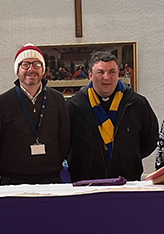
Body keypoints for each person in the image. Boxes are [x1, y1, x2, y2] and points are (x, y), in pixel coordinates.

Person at [67, 50, 158, 182]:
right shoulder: (74, 106)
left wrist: (129, 156)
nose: (106, 77)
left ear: (118, 74)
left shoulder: (137, 103)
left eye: (112, 72)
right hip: (85, 182)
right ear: (90, 75)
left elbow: (150, 138)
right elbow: (64, 143)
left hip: (128, 181)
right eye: (100, 72)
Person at [0, 45, 71, 184]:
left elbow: (65, 138)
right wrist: (8, 168)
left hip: (50, 178)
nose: (31, 69)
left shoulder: (57, 99)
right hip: (13, 179)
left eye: (36, 64)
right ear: (17, 70)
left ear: (43, 69)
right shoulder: (3, 102)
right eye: (25, 65)